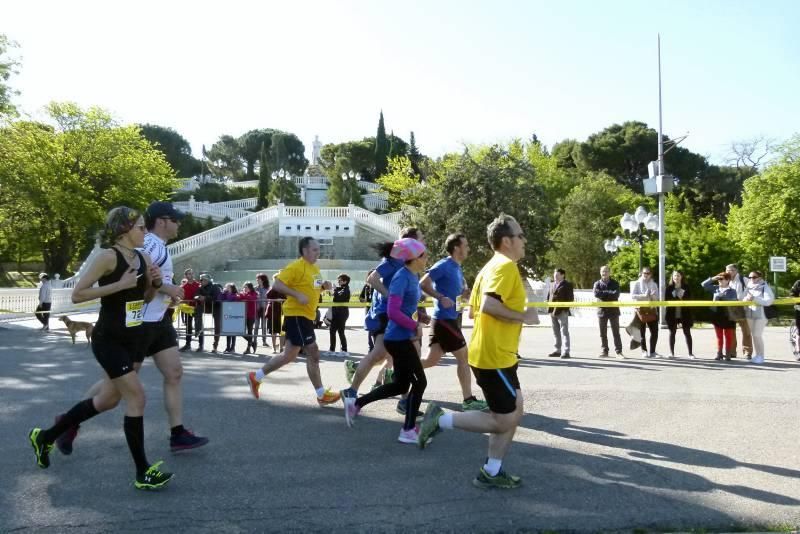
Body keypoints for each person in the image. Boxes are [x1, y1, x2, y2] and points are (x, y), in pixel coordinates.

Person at [28, 206, 173, 490]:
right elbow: (78, 294)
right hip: (109, 339)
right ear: (124, 229)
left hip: (134, 338)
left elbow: (144, 299)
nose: (146, 232)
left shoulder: (143, 257)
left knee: (107, 400)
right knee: (137, 398)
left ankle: (45, 437)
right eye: (141, 227)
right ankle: (143, 472)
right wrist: (119, 285)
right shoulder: (107, 257)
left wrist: (154, 284)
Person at [56, 202, 209, 457]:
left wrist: (165, 288)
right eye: (176, 219)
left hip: (158, 320)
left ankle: (178, 433)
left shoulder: (155, 245)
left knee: (174, 373)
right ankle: (69, 422)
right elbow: (137, 275)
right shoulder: (148, 244)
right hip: (141, 323)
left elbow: (152, 278)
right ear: (162, 221)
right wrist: (167, 288)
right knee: (114, 389)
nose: (179, 224)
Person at [417, 213, 540, 490]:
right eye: (520, 235)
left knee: (515, 411)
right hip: (493, 356)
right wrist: (524, 315)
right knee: (504, 419)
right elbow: (487, 307)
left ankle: (492, 471)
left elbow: (472, 310)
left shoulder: (489, 268)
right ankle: (441, 420)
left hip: (499, 354)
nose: (524, 240)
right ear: (507, 241)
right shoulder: (504, 267)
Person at [343, 238, 429, 444]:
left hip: (399, 337)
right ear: (414, 258)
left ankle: (356, 404)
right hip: (397, 338)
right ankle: (408, 430)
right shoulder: (402, 277)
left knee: (401, 385)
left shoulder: (411, 275)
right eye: (424, 255)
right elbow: (392, 311)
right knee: (420, 383)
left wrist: (419, 316)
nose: (427, 258)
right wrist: (414, 325)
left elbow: (404, 307)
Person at [245, 237, 339, 405]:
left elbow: (312, 288)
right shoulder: (296, 267)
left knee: (289, 355)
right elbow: (276, 285)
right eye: (315, 250)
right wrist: (296, 295)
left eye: (319, 249)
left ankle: (256, 376)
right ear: (304, 251)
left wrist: (323, 286)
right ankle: (321, 394)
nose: (319, 252)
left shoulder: (314, 269)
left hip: (306, 316)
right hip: (297, 315)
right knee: (313, 352)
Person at [419, 233, 487, 411]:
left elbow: (452, 298)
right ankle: (468, 400)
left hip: (449, 319)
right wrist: (440, 297)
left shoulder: (457, 268)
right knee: (464, 357)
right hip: (444, 320)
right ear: (457, 248)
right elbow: (423, 283)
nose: (468, 248)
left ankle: (395, 372)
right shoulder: (444, 265)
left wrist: (461, 297)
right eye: (466, 245)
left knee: (431, 360)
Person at [701, 272, 739, 361]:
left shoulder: (732, 291)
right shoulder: (715, 288)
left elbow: (733, 301)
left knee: (728, 336)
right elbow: (703, 284)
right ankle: (719, 353)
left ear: (728, 280)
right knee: (719, 336)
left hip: (728, 315)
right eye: (719, 279)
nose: (720, 281)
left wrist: (723, 297)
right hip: (717, 315)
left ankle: (728, 353)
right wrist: (713, 278)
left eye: (722, 279)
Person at [743, 270, 775, 364]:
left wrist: (755, 298)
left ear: (760, 278)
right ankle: (757, 355)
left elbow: (768, 301)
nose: (751, 279)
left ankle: (761, 356)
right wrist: (747, 299)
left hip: (762, 315)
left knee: (757, 335)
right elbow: (742, 298)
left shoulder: (765, 287)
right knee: (754, 336)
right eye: (750, 277)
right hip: (750, 313)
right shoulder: (748, 287)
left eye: (754, 277)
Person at [593, 266, 623, 358]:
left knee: (616, 332)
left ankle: (619, 352)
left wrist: (604, 293)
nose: (604, 273)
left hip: (613, 311)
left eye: (606, 271)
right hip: (601, 311)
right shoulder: (597, 284)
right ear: (600, 273)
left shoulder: (615, 283)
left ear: (609, 272)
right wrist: (609, 292)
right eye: (602, 271)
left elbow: (616, 295)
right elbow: (596, 294)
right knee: (603, 333)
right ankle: (604, 351)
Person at [664, 270, 694, 359]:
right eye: (675, 276)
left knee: (687, 332)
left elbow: (690, 298)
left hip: (685, 313)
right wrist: (676, 297)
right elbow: (667, 300)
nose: (676, 277)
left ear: (682, 277)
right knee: (672, 333)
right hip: (672, 314)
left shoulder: (686, 287)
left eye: (678, 276)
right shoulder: (669, 288)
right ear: (672, 277)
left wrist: (682, 297)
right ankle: (671, 353)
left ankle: (690, 353)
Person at [726, 264, 753, 359]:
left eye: (732, 270)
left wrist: (746, 299)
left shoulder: (743, 279)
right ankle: (732, 352)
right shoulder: (727, 280)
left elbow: (753, 289)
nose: (729, 272)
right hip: (731, 308)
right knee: (731, 331)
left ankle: (747, 352)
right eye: (728, 270)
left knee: (746, 331)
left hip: (743, 308)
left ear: (736, 270)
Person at [631, 267, 659, 358]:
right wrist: (643, 295)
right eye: (644, 273)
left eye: (648, 273)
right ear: (641, 273)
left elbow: (657, 298)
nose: (646, 275)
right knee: (642, 332)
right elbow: (632, 296)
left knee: (654, 332)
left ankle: (653, 352)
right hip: (641, 310)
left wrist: (652, 296)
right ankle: (644, 351)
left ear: (651, 274)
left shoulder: (654, 284)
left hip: (651, 309)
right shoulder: (637, 283)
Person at [546, 268, 573, 359]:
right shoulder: (552, 284)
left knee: (564, 331)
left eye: (557, 275)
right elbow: (549, 296)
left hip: (562, 311)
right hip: (552, 311)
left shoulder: (567, 285)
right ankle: (557, 350)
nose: (555, 276)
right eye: (554, 275)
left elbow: (570, 299)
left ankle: (566, 351)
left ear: (563, 275)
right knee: (555, 332)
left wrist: (564, 309)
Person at [195, 273, 222, 352]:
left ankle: (215, 345)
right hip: (206, 307)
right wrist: (198, 297)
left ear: (207, 280)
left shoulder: (215, 287)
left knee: (217, 325)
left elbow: (216, 297)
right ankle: (200, 341)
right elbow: (195, 295)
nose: (200, 281)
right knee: (197, 311)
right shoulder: (200, 287)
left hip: (216, 307)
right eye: (200, 280)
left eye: (202, 280)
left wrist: (205, 298)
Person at [179, 268, 200, 351]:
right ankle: (188, 344)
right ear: (185, 276)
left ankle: (201, 345)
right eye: (188, 274)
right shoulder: (183, 286)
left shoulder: (198, 285)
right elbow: (182, 297)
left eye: (191, 273)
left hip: (198, 308)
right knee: (188, 326)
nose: (190, 275)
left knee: (199, 326)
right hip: (188, 309)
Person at [329, 274, 351, 354]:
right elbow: (334, 295)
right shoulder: (341, 288)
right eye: (338, 280)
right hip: (336, 312)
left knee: (340, 331)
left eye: (340, 280)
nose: (338, 281)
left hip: (342, 313)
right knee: (332, 330)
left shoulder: (346, 289)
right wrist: (333, 290)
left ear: (345, 281)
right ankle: (332, 349)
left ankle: (344, 350)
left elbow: (339, 297)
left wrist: (334, 290)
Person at [239, 282, 259, 354]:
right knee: (240, 331)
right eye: (244, 287)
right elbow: (239, 297)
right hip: (243, 314)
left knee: (250, 331)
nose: (245, 289)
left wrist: (243, 295)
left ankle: (248, 348)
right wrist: (242, 295)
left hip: (251, 315)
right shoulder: (243, 293)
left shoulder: (254, 293)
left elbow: (251, 298)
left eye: (246, 287)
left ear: (250, 288)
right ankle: (253, 343)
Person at [265, 281, 285, 354]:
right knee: (273, 331)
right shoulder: (273, 289)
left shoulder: (285, 289)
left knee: (282, 331)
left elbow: (288, 298)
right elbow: (267, 296)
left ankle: (281, 348)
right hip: (272, 312)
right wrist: (276, 300)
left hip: (282, 312)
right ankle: (273, 348)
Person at [359, 270, 375, 352]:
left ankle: (376, 347)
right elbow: (360, 298)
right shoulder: (366, 286)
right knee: (369, 328)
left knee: (376, 329)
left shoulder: (378, 286)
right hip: (368, 310)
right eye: (369, 275)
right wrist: (364, 300)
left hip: (376, 310)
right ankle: (371, 347)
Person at [220, 283, 239, 353]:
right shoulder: (225, 294)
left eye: (228, 287)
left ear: (231, 288)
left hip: (234, 315)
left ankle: (233, 347)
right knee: (228, 332)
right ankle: (227, 347)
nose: (226, 288)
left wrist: (225, 301)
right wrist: (223, 293)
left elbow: (230, 301)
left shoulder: (235, 295)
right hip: (227, 314)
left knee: (233, 332)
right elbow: (220, 299)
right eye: (226, 287)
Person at [253, 273, 271, 348]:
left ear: (263, 280)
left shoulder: (268, 288)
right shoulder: (255, 288)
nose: (257, 280)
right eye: (257, 279)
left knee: (264, 326)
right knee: (256, 326)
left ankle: (264, 341)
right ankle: (254, 340)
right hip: (257, 309)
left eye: (259, 279)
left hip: (264, 309)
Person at [791, 279, 800, 360]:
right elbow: (792, 294)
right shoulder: (798, 283)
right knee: (799, 331)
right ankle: (798, 350)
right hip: (799, 309)